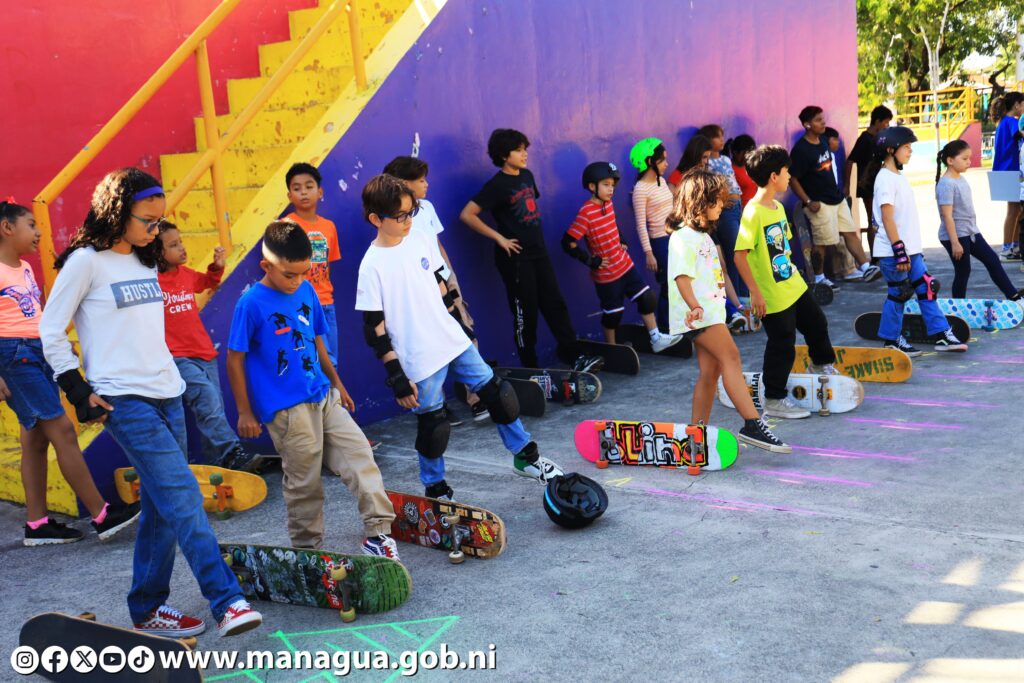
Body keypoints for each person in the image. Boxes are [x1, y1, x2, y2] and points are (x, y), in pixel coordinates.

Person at [40, 168, 261, 637]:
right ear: (117, 213)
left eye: (160, 223)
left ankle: (147, 606)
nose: (155, 231)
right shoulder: (85, 262)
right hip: (122, 399)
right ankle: (228, 601)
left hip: (167, 390)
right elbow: (49, 329)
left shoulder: (145, 260)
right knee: (182, 494)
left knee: (163, 503)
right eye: (148, 221)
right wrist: (78, 391)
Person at [360, 175, 564, 501]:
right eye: (399, 216)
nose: (407, 221)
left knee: (498, 393)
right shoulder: (371, 266)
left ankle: (524, 456)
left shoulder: (421, 237)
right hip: (418, 355)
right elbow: (374, 327)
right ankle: (435, 487)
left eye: (411, 213)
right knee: (434, 425)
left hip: (453, 340)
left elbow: (442, 287)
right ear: (375, 219)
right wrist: (396, 375)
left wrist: (461, 325)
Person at [226, 221, 399, 558]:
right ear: (267, 266)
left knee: (360, 456)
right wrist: (245, 411)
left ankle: (377, 533)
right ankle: (308, 551)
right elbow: (235, 359)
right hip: (288, 410)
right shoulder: (250, 304)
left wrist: (337, 384)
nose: (297, 281)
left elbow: (316, 342)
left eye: (304, 273)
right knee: (305, 482)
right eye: (290, 274)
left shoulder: (305, 290)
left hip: (324, 395)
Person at [0, 199, 139, 546]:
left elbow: (37, 317)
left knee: (34, 438)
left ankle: (37, 524)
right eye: (31, 225)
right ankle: (102, 515)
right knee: (62, 429)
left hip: (35, 352)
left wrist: (58, 345)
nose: (39, 232)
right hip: (14, 357)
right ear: (7, 228)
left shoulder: (25, 269)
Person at [666, 169, 789, 452]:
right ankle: (752, 424)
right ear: (700, 202)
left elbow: (715, 276)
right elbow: (681, 278)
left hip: (708, 312)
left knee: (711, 373)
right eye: (717, 201)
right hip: (697, 316)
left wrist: (735, 305)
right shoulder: (683, 238)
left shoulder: (703, 237)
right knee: (731, 356)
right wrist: (695, 306)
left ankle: (695, 435)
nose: (722, 206)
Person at [459, 129, 602, 371]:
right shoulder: (496, 185)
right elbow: (467, 214)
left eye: (525, 149)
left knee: (555, 304)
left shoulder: (526, 175)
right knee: (526, 314)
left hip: (539, 253)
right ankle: (530, 367)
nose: (524, 154)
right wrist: (499, 238)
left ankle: (573, 355)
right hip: (515, 260)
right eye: (518, 150)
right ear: (504, 155)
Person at [733, 146, 840, 420]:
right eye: (786, 171)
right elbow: (740, 256)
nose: (789, 175)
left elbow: (782, 248)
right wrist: (755, 294)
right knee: (782, 343)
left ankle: (821, 365)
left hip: (792, 283)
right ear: (773, 176)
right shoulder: (752, 212)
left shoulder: (778, 207)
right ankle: (774, 398)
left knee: (817, 323)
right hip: (771, 293)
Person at [383, 155, 483, 423]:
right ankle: (436, 405)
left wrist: (451, 277)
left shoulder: (426, 208)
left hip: (442, 279)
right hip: (419, 286)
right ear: (402, 184)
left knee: (464, 331)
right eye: (420, 180)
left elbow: (436, 244)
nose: (426, 184)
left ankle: (477, 397)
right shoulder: (394, 217)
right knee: (429, 346)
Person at [155, 221, 259, 471]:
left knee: (213, 407)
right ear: (157, 253)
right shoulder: (152, 282)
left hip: (203, 352)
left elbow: (208, 281)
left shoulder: (186, 274)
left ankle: (220, 463)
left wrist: (217, 265)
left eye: (180, 242)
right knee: (206, 399)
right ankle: (230, 450)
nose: (182, 248)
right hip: (177, 356)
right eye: (173, 245)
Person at [868, 127, 968, 355]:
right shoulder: (884, 179)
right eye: (906, 147)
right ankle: (892, 339)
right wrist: (899, 251)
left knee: (926, 288)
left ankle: (941, 334)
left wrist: (911, 250)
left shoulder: (897, 176)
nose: (910, 151)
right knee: (899, 292)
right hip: (894, 251)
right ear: (890, 150)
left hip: (910, 250)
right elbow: (887, 217)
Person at [562, 161, 682, 351]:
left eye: (613, 185)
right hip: (606, 274)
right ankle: (612, 348)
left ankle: (656, 338)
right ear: (592, 187)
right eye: (606, 185)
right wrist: (591, 260)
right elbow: (568, 242)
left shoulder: (608, 204)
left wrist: (622, 239)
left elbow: (613, 223)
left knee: (647, 298)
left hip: (624, 264)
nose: (611, 190)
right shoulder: (585, 213)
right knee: (613, 315)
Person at [789, 106, 880, 287]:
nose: (823, 123)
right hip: (819, 203)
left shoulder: (822, 141)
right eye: (818, 120)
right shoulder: (801, 150)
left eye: (823, 119)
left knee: (850, 233)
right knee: (821, 243)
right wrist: (808, 201)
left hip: (837, 199)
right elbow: (793, 179)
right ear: (807, 125)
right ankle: (820, 278)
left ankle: (865, 267)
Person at [934, 141, 1022, 299]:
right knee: (963, 271)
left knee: (992, 260)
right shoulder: (946, 184)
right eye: (965, 158)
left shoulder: (960, 178)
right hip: (956, 235)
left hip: (970, 231)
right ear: (950, 160)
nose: (969, 162)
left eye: (970, 158)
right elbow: (946, 216)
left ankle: (1014, 296)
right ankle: (958, 307)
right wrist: (955, 243)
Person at [283, 163, 343, 365]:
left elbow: (328, 265)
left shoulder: (329, 226)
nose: (303, 192)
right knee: (318, 360)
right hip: (300, 303)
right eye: (296, 188)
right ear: (289, 195)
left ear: (320, 191)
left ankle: (332, 397)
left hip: (326, 303)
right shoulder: (285, 226)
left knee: (333, 358)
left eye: (309, 186)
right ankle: (327, 397)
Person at [629, 137, 674, 331]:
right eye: (662, 160)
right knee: (668, 286)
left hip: (675, 238)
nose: (666, 164)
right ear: (649, 162)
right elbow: (641, 225)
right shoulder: (640, 190)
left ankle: (680, 324)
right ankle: (665, 328)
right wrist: (649, 253)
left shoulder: (661, 181)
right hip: (660, 242)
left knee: (680, 283)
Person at [845, 105, 892, 252]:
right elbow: (850, 161)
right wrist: (848, 185)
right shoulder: (865, 139)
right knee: (873, 220)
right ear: (877, 121)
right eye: (885, 122)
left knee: (878, 219)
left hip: (877, 184)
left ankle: (878, 253)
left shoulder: (879, 139)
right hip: (867, 185)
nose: (887, 126)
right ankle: (875, 254)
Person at [991, 93, 1024, 261]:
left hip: (1006, 170)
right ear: (1017, 105)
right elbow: (1021, 134)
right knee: (1013, 210)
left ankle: (1015, 246)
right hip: (1010, 170)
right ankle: (1006, 248)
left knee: (1018, 210)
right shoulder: (1012, 122)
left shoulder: (1004, 122)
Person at [725, 134, 758, 207]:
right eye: (745, 154)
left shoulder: (750, 167)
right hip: (739, 213)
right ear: (735, 152)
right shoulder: (728, 169)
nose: (747, 158)